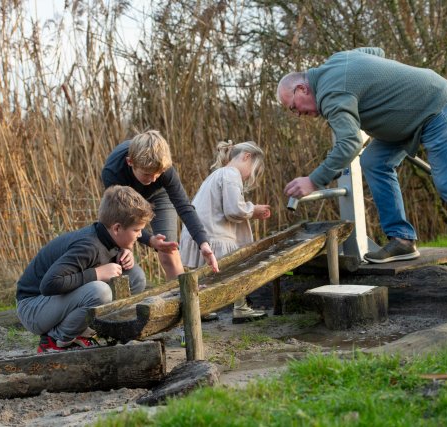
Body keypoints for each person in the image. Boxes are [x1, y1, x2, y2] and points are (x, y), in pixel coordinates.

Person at [277, 47, 447, 275]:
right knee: (374, 161)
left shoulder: (330, 94)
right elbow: (376, 51)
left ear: (302, 88)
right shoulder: (336, 61)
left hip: (435, 106)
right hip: (405, 120)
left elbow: (350, 143)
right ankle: (402, 239)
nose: (297, 114)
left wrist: (314, 181)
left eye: (294, 107)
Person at [16, 185, 154, 353]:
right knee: (100, 291)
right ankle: (55, 340)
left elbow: (109, 256)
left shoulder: (109, 237)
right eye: (137, 230)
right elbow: (49, 284)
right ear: (117, 228)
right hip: (32, 307)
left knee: (135, 276)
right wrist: (97, 273)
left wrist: (125, 252)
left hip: (52, 303)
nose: (140, 235)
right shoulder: (88, 246)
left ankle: (97, 331)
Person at [102, 130, 219, 281]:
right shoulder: (113, 172)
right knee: (124, 239)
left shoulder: (164, 169)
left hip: (159, 195)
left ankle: (182, 294)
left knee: (167, 250)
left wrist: (203, 243)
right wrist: (149, 240)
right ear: (130, 162)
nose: (153, 179)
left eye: (158, 173)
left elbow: (184, 206)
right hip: (125, 197)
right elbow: (121, 219)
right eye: (147, 174)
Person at [179, 140, 272, 323]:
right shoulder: (231, 174)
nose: (248, 178)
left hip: (202, 232)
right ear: (246, 157)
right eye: (253, 172)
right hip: (214, 234)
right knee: (237, 267)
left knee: (206, 274)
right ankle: (241, 308)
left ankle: (201, 308)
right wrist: (253, 210)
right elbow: (233, 210)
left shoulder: (218, 174)